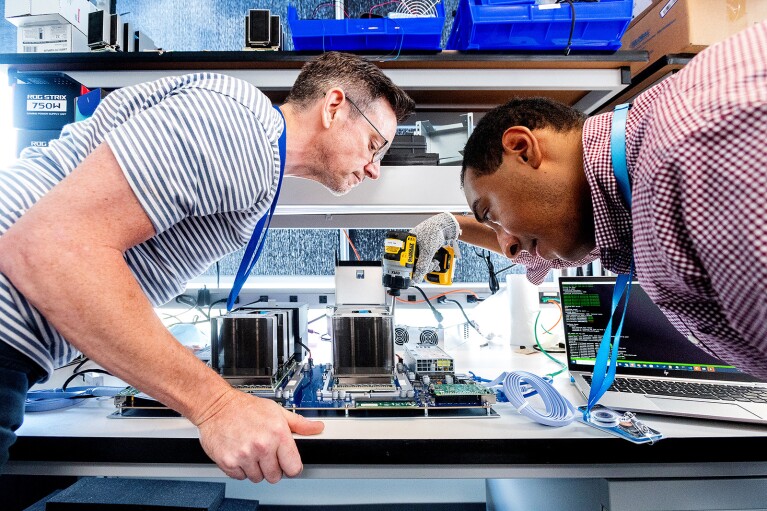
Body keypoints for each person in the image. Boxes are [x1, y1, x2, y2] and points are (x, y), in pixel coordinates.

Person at [0, 51, 415, 481]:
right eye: (374, 146)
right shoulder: (239, 131)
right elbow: (51, 247)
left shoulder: (250, 150)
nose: (373, 170)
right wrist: (217, 405)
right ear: (333, 106)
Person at [411, 20, 767, 381]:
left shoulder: (691, 153)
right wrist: (452, 225)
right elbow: (544, 247)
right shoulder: (628, 188)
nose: (511, 248)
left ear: (522, 149)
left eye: (491, 213)